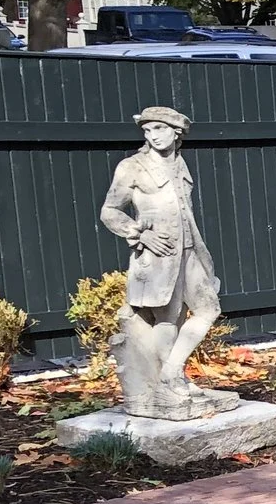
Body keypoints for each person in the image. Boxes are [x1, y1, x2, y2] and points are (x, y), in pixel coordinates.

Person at [98, 106, 239, 421]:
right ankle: (172, 383)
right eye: (148, 131)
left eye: (159, 129)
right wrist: (138, 235)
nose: (153, 136)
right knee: (168, 318)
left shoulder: (179, 163)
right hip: (157, 253)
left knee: (208, 308)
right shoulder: (132, 166)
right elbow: (110, 211)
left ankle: (171, 372)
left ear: (177, 132)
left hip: (190, 250)